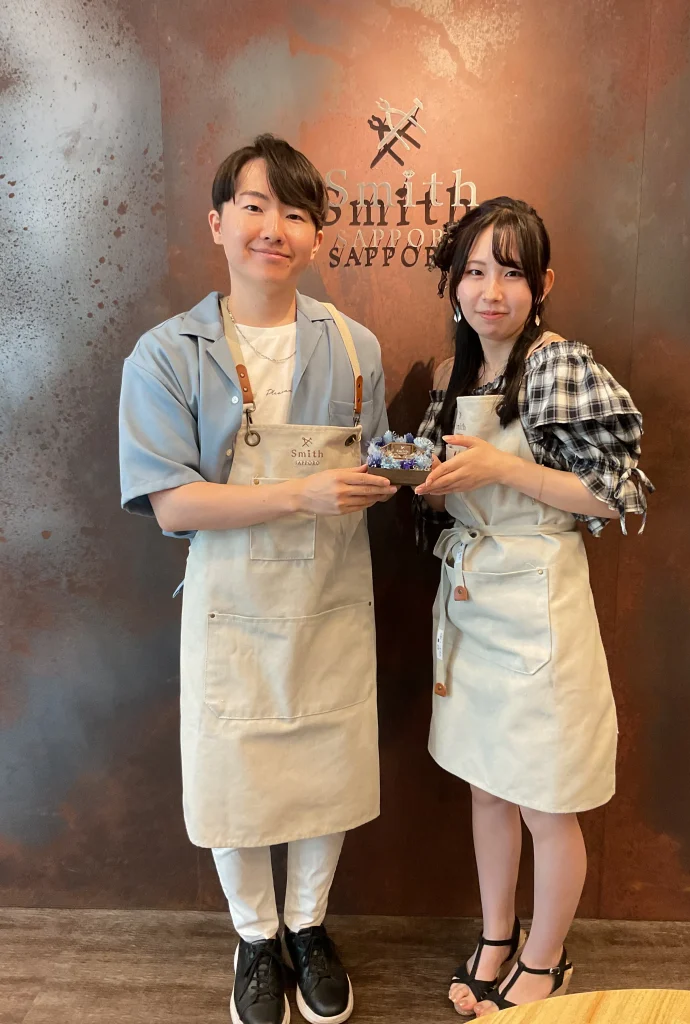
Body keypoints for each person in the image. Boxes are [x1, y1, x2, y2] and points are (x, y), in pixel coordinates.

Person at [119, 134, 395, 1024]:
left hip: (330, 597)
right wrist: (300, 493)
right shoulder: (167, 353)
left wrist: (400, 472)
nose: (275, 227)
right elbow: (173, 506)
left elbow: (374, 464)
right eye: (255, 205)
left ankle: (308, 927)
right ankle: (254, 936)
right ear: (218, 222)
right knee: (233, 774)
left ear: (315, 236)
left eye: (297, 212)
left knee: (326, 768)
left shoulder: (355, 347)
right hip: (231, 604)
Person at [413, 197, 653, 1015]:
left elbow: (612, 492)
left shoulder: (557, 365)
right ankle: (496, 936)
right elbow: (453, 488)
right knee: (488, 785)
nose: (491, 291)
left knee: (547, 802)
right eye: (475, 271)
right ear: (453, 283)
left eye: (511, 273)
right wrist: (422, 482)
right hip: (472, 600)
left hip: (539, 604)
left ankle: (546, 962)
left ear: (542, 284)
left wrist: (500, 469)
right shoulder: (449, 376)